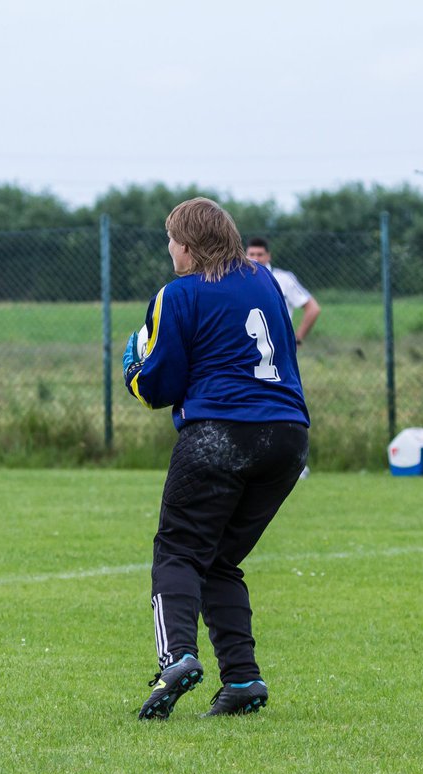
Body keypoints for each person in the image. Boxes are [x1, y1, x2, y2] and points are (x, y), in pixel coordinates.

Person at [123, 198, 310, 719]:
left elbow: (158, 386)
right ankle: (243, 680)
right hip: (288, 436)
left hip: (219, 432)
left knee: (178, 552)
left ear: (187, 244)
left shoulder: (178, 294)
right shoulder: (264, 281)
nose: (169, 250)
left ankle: (176, 657)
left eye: (171, 240)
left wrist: (132, 369)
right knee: (220, 559)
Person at [244, 237, 322, 345]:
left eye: (260, 254)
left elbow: (313, 308)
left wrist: (297, 340)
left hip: (278, 343)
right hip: (246, 344)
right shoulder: (238, 279)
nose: (256, 258)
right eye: (252, 254)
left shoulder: (284, 279)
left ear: (268, 256)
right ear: (245, 256)